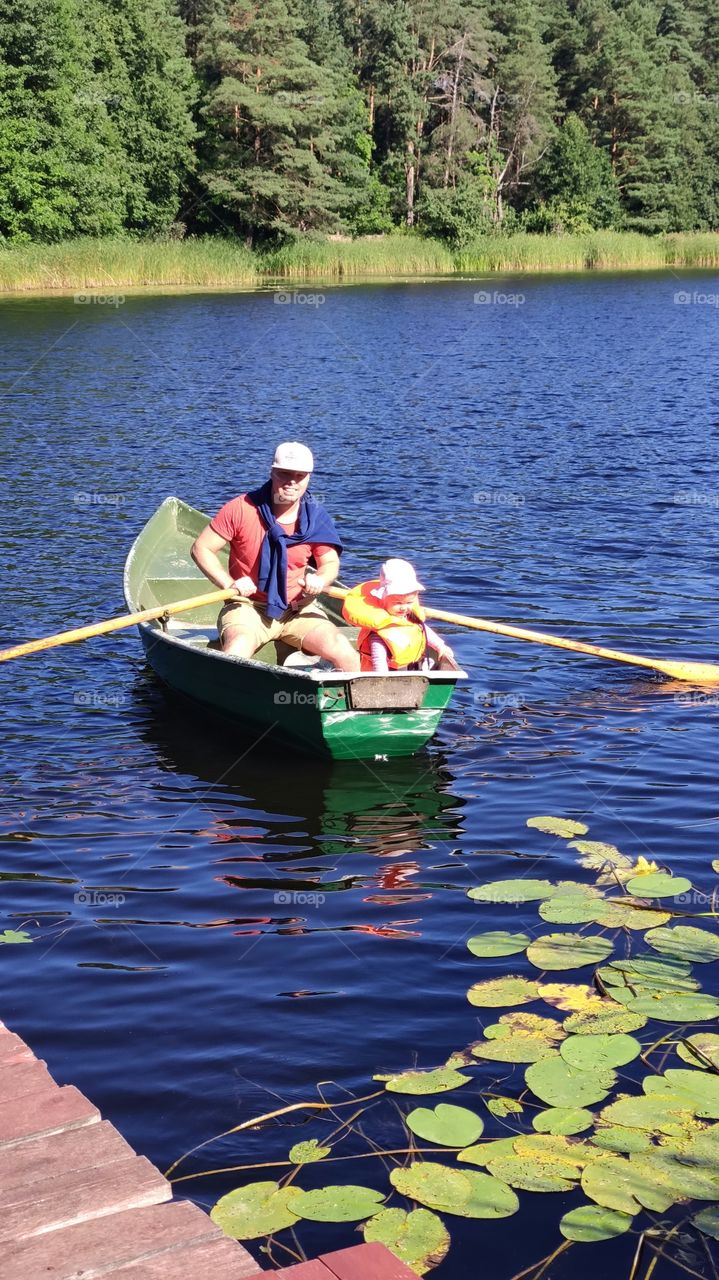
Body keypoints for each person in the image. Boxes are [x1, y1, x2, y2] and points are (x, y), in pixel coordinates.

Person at [191, 442, 360, 671]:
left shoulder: (315, 516)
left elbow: (329, 562)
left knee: (344, 651)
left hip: (297, 609)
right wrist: (229, 583)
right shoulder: (241, 508)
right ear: (272, 472)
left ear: (308, 477)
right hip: (249, 606)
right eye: (284, 474)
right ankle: (230, 697)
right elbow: (201, 548)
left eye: (300, 476)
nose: (292, 482)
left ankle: (354, 705)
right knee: (237, 650)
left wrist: (320, 579)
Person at [342, 559, 456, 673]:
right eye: (398, 603)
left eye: (409, 603)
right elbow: (378, 660)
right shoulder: (378, 633)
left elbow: (423, 630)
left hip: (406, 668)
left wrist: (441, 646)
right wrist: (382, 679)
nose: (404, 608)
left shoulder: (408, 618)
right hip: (382, 674)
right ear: (383, 600)